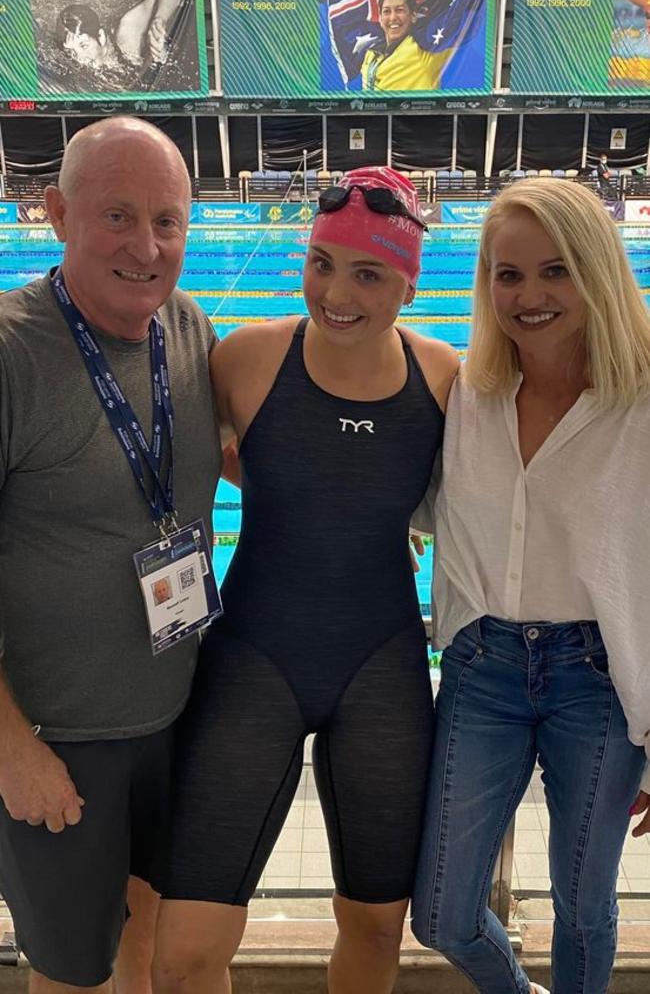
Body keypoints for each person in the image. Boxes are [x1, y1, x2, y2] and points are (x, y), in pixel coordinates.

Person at [151, 167, 459, 994]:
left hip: (383, 668)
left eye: (368, 274)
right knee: (184, 948)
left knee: (375, 926)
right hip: (254, 660)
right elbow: (184, 469)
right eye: (322, 262)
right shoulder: (246, 356)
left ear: (408, 282)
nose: (336, 292)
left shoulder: (445, 378)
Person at [410, 177, 650, 994]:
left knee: (585, 908)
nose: (529, 295)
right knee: (440, 911)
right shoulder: (468, 398)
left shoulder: (642, 403)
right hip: (484, 670)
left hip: (600, 683)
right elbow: (394, 495)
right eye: (508, 275)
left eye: (555, 271)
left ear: (596, 273)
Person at [0, 116, 220, 993]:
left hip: (176, 719)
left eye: (167, 220)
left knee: (153, 942)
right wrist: (9, 746)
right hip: (58, 737)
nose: (147, 245)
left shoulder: (190, 328)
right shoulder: (13, 352)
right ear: (56, 212)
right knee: (71, 971)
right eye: (118, 216)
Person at [55, 0, 185, 73]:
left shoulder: (127, 35)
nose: (80, 59)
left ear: (101, 37)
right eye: (73, 52)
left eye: (84, 46)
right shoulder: (76, 64)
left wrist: (160, 19)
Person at [361, 0, 445, 91]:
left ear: (413, 16)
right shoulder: (370, 54)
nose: (393, 17)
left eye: (399, 10)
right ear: (380, 18)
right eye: (386, 11)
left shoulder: (423, 50)